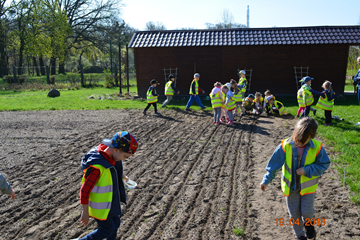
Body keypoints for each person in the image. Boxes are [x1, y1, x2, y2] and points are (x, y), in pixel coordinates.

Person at [260, 117, 330, 240]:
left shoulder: (318, 148)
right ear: (295, 132)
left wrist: (307, 170)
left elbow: (324, 164)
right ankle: (300, 236)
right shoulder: (285, 146)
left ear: (311, 137)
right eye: (297, 139)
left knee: (307, 212)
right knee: (295, 214)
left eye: (302, 142)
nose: (298, 143)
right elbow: (273, 166)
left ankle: (309, 227)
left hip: (308, 188)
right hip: (290, 188)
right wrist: (266, 180)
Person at [75, 131, 138, 240]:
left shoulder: (112, 156)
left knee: (115, 225)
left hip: (111, 203)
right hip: (101, 207)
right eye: (125, 156)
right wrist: (85, 212)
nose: (124, 159)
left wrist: (122, 175)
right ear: (116, 149)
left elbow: (113, 169)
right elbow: (84, 190)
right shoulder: (97, 167)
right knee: (108, 229)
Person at [353, 56, 360, 125]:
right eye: (358, 61)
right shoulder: (359, 70)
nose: (359, 63)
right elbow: (354, 79)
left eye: (359, 61)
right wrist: (357, 79)